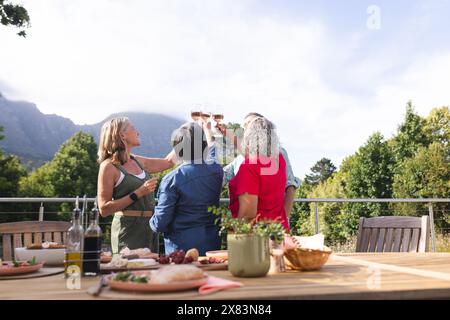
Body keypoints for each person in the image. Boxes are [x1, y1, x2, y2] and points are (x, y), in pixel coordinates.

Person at [97, 117, 176, 254]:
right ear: (122, 135)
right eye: (133, 128)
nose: (138, 132)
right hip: (128, 230)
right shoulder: (108, 167)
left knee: (151, 271)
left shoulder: (137, 160)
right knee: (130, 273)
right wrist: (138, 193)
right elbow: (104, 209)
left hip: (150, 228)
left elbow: (169, 162)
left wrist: (189, 136)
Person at [150, 121, 223, 255]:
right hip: (213, 246)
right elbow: (213, 150)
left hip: (181, 250)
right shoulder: (216, 170)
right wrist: (206, 131)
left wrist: (149, 220)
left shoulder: (172, 179)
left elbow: (160, 223)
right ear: (203, 145)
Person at [220, 113, 301, 217]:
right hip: (259, 224)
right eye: (244, 126)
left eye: (250, 124)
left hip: (260, 225)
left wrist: (284, 217)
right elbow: (222, 176)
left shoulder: (279, 153)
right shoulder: (239, 159)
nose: (246, 128)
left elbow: (290, 186)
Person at [228, 116, 290, 231]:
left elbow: (248, 214)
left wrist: (232, 231)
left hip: (258, 236)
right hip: (279, 230)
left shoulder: (249, 166)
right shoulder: (279, 160)